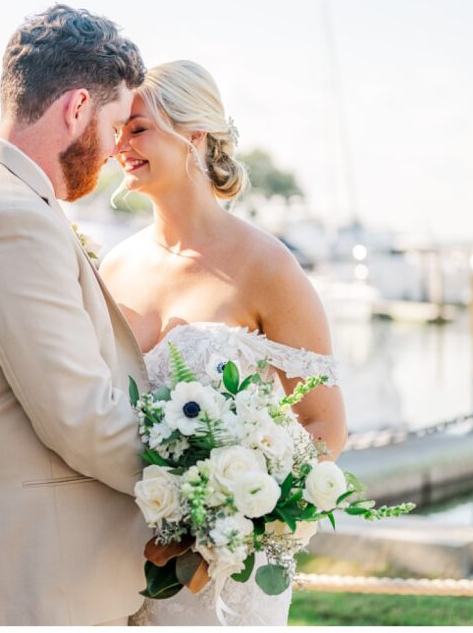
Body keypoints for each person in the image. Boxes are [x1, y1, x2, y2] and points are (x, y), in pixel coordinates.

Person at [0, 4, 152, 626]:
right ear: (76, 109)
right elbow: (83, 419)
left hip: (21, 564)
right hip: (30, 578)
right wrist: (203, 485)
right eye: (116, 123)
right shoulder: (9, 217)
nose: (117, 147)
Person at [100, 59, 349, 626]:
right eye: (115, 132)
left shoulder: (268, 267)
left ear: (195, 134)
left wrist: (231, 518)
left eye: (136, 128)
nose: (120, 146)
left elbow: (324, 425)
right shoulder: (114, 268)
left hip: (229, 574)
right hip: (119, 557)